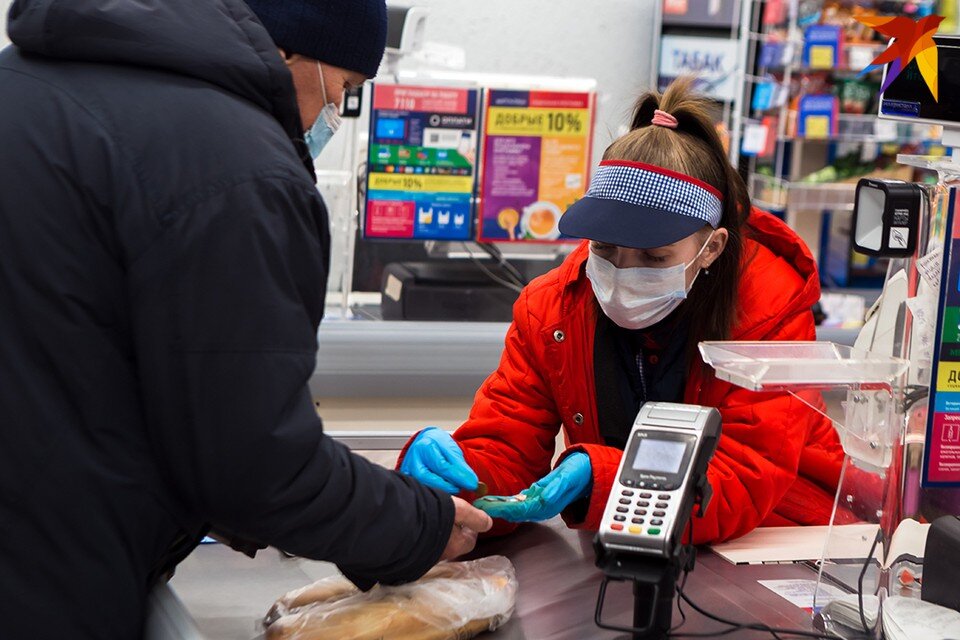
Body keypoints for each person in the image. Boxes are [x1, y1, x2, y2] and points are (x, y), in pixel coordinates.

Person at [0, 0, 491, 637]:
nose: (331, 117)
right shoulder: (235, 165)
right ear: (291, 50)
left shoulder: (28, 83)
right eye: (343, 90)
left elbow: (104, 372)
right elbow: (255, 462)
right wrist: (416, 524)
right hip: (48, 578)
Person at [399, 78, 846, 543]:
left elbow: (745, 475)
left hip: (782, 539)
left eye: (654, 258)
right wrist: (454, 484)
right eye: (606, 249)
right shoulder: (550, 310)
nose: (621, 274)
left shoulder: (770, 309)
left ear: (710, 248)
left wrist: (602, 478)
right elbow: (507, 446)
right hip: (631, 537)